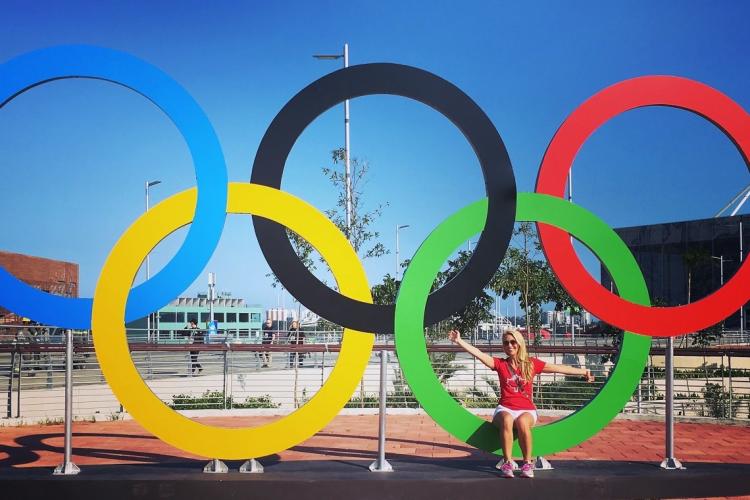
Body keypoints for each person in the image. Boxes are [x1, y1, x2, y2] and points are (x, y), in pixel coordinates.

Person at [448, 328, 594, 479]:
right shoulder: (500, 364)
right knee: (507, 419)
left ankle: (527, 463)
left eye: (513, 342)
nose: (509, 345)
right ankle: (507, 462)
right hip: (505, 408)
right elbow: (479, 354)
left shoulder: (531, 364)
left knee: (523, 422)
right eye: (506, 343)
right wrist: (459, 341)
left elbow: (559, 368)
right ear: (503, 346)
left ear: (519, 344)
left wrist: (583, 372)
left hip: (527, 410)